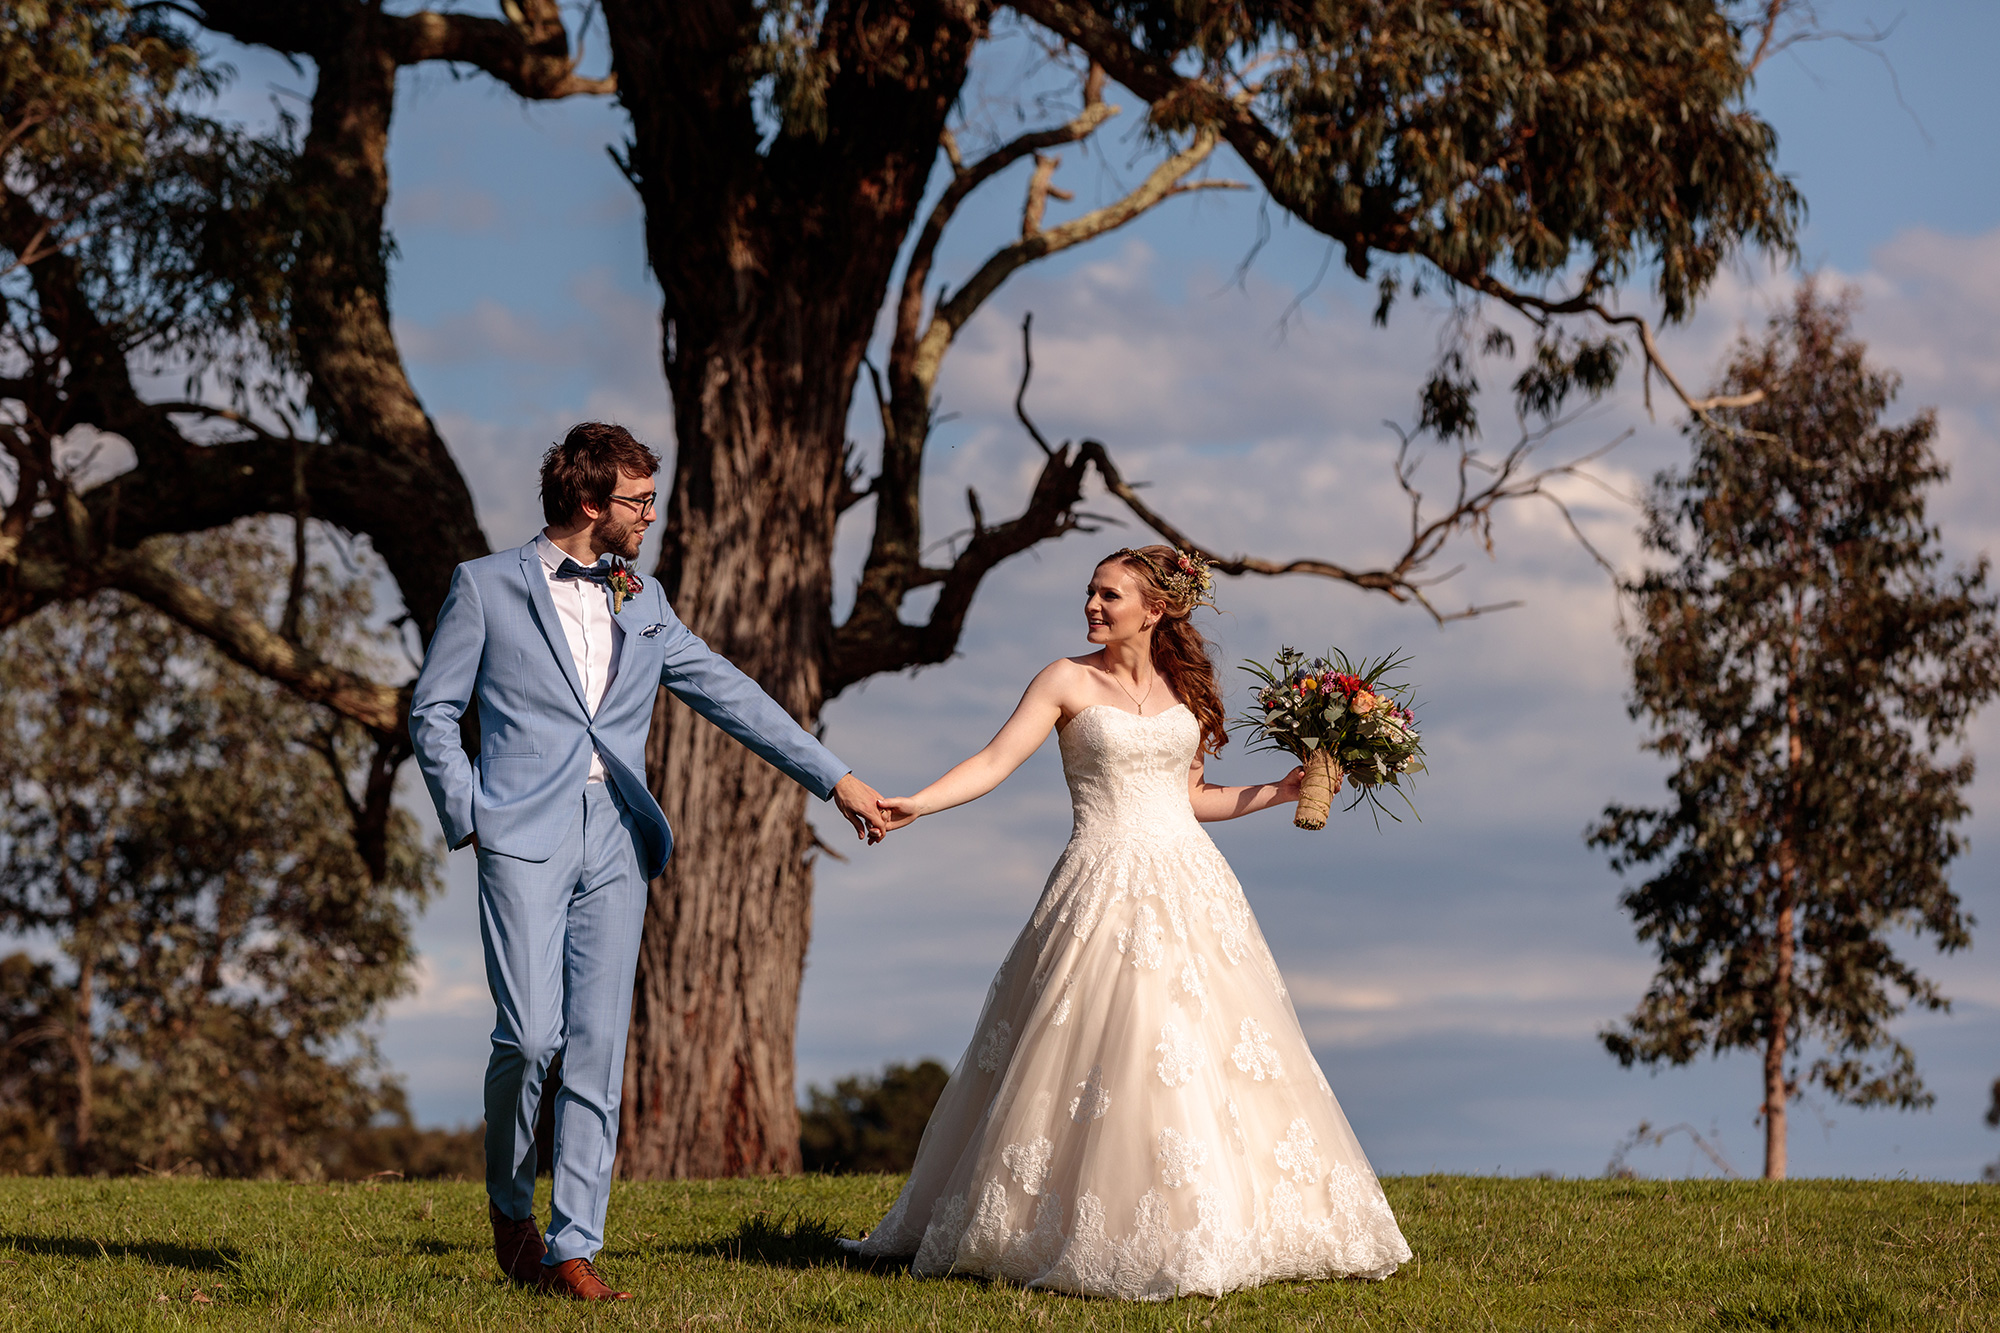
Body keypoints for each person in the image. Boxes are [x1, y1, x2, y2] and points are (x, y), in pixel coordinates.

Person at [847, 545, 1411, 1298]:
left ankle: (1211, 1220)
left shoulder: (1185, 690)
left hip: (1191, 880)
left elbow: (1191, 800)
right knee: (1112, 1045)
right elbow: (993, 760)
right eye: (1090, 592)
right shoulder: (1065, 679)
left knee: (1203, 1049)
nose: (1093, 605)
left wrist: (1280, 791)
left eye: (1109, 595)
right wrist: (918, 801)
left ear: (1156, 608)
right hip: (1100, 879)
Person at [409, 422, 890, 1300]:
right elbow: (432, 711)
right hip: (519, 829)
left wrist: (837, 780)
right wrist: (469, 810)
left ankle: (572, 1249)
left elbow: (730, 692)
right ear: (591, 502)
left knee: (596, 1046)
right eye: (638, 500)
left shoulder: (644, 598)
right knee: (529, 1036)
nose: (651, 515)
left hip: (617, 834)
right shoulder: (484, 587)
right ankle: (510, 1207)